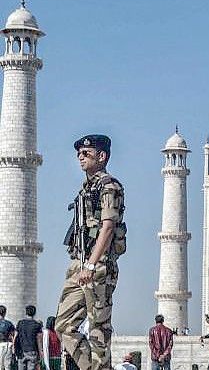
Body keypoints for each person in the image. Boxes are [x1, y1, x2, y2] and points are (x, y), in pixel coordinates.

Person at [55, 134, 127, 370]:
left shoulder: (109, 186)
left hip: (98, 267)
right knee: (63, 325)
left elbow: (107, 228)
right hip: (80, 264)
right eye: (79, 154)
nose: (80, 157)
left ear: (102, 156)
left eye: (86, 153)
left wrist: (91, 265)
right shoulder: (87, 188)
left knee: (99, 331)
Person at [15, 305, 42, 370]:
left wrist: (15, 349)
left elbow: (16, 337)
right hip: (32, 351)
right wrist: (40, 352)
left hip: (21, 351)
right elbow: (39, 340)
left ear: (26, 312)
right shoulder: (37, 325)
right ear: (34, 313)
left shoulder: (20, 323)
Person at [0, 305, 15, 370]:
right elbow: (14, 335)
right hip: (7, 345)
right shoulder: (9, 323)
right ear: (5, 313)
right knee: (7, 366)